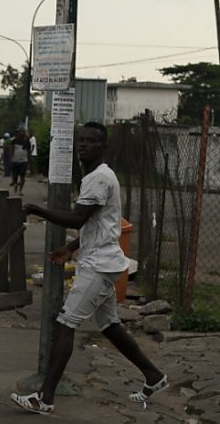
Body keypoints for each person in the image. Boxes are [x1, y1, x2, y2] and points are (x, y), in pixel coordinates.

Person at [12, 122, 167, 416]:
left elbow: (77, 218)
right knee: (109, 325)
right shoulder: (96, 176)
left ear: (102, 146)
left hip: (99, 266)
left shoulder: (99, 178)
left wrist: (36, 210)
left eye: (90, 141)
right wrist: (70, 249)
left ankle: (44, 398)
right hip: (101, 261)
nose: (83, 145)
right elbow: (96, 224)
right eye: (80, 140)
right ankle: (153, 375)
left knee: (65, 323)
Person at [10, 129, 31, 195]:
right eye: (21, 132)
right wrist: (11, 159)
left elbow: (28, 152)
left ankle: (20, 190)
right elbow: (11, 150)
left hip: (23, 161)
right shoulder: (14, 141)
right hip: (15, 160)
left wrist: (29, 162)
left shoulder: (27, 142)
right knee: (15, 176)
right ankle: (15, 184)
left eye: (23, 132)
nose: (22, 133)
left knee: (22, 176)